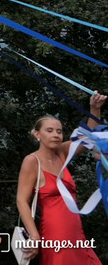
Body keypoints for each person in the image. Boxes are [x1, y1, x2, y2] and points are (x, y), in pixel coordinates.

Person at [16, 91, 105, 265]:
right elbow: (21, 200)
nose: (56, 135)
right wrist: (34, 235)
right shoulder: (32, 161)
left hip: (75, 230)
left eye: (59, 131)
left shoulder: (62, 153)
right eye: (49, 131)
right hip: (55, 231)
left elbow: (87, 138)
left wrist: (94, 108)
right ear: (37, 134)